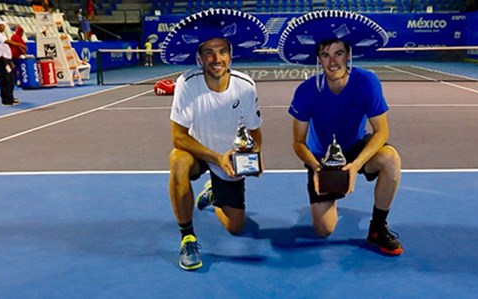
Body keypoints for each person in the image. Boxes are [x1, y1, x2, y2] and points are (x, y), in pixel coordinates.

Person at [279, 10, 403, 256]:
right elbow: (298, 143)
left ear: (348, 55)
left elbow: (381, 131)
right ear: (318, 58)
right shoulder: (306, 90)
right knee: (324, 230)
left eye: (338, 53)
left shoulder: (367, 81)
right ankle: (331, 192)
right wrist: (318, 170)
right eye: (325, 55)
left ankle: (378, 228)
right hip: (320, 157)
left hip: (356, 147)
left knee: (391, 159)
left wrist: (355, 166)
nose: (332, 61)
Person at [160, 9, 268, 271]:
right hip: (199, 153)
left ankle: (213, 192)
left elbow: (254, 133)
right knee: (178, 161)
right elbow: (178, 137)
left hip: (228, 159)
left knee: (235, 227)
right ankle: (187, 236)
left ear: (230, 56)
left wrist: (254, 158)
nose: (216, 58)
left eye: (222, 51)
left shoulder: (245, 85)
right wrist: (214, 157)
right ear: (199, 58)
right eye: (209, 52)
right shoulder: (187, 84)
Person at [0, 18, 24, 106]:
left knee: (10, 79)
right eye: (2, 25)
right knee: (6, 80)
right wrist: (19, 44)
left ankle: (10, 97)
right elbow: (7, 41)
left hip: (6, 60)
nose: (4, 27)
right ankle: (6, 100)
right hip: (2, 60)